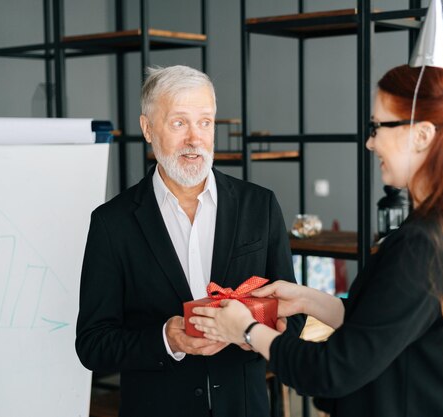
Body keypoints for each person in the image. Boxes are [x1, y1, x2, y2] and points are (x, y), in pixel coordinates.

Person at [190, 65, 443, 417]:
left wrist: (246, 329)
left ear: (423, 135)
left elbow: (331, 371)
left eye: (379, 126)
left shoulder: (423, 245)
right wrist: (307, 300)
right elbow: (382, 329)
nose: (371, 141)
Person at [75, 65, 302, 417]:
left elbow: (294, 311)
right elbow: (92, 344)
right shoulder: (111, 223)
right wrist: (166, 338)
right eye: (179, 122)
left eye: (205, 122)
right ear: (148, 129)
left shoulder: (260, 205)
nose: (195, 138)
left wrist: (264, 331)